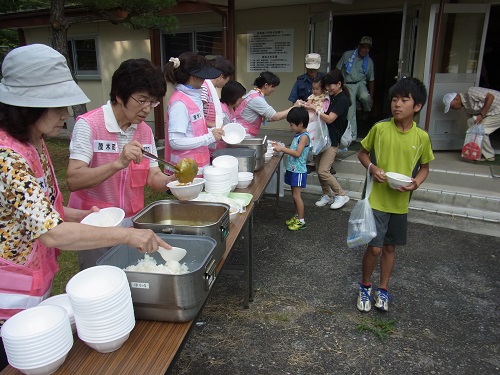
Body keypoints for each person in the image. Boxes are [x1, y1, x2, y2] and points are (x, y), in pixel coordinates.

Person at [0, 44, 170, 370]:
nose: (66, 113)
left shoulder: (34, 143)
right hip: (9, 291)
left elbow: (45, 209)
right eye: (58, 106)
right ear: (28, 107)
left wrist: (82, 215)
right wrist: (126, 236)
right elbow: (51, 233)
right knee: (20, 358)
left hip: (35, 278)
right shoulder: (8, 156)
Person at [66, 58, 176, 270]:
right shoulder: (89, 125)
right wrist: (118, 163)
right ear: (119, 95)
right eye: (142, 100)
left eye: (152, 102)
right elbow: (74, 179)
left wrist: (173, 181)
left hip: (132, 220)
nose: (147, 109)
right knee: (98, 276)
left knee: (129, 273)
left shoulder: (144, 131)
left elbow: (153, 177)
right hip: (96, 222)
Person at [356, 77, 434, 313]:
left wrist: (415, 184)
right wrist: (373, 168)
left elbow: (425, 167)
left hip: (400, 202)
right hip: (377, 199)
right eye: (394, 100)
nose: (397, 104)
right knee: (375, 248)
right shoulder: (380, 129)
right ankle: (365, 286)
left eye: (404, 100)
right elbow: (362, 154)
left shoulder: (421, 137)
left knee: (390, 248)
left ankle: (383, 289)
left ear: (417, 106)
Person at [163, 52, 225, 174]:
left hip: (195, 170)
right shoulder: (179, 103)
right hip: (184, 174)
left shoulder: (191, 97)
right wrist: (209, 137)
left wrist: (211, 132)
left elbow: (193, 132)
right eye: (203, 76)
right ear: (194, 77)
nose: (205, 81)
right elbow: (175, 141)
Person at [302, 70, 351, 210]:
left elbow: (330, 119)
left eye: (330, 86)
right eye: (327, 86)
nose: (327, 88)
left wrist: (315, 109)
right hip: (322, 138)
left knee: (323, 170)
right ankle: (327, 195)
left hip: (332, 139)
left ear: (339, 84)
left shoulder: (342, 99)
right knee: (318, 168)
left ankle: (341, 194)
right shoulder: (332, 96)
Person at [272, 107, 310, 231]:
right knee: (294, 195)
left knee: (296, 196)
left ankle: (301, 220)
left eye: (292, 124)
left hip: (298, 171)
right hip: (293, 169)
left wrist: (282, 149)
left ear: (300, 124)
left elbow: (297, 153)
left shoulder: (304, 136)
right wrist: (280, 146)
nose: (290, 126)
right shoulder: (298, 134)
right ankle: (297, 216)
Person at [234, 71, 300, 137]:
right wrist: (294, 107)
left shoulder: (254, 94)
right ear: (266, 85)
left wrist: (288, 113)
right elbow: (276, 116)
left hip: (242, 131)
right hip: (242, 133)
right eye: (273, 86)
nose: (274, 89)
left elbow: (269, 117)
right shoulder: (257, 99)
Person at [335, 36, 375, 141]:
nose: (365, 50)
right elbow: (337, 69)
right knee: (350, 110)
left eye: (367, 48)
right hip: (347, 84)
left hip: (361, 83)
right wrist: (336, 84)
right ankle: (352, 137)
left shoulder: (369, 61)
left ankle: (365, 111)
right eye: (363, 47)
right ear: (358, 46)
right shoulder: (347, 55)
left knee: (365, 97)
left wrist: (371, 97)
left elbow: (371, 80)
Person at [443, 88, 500, 162]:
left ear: (456, 99)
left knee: (482, 129)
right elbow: (474, 120)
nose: (454, 109)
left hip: (498, 110)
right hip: (492, 112)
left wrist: (482, 115)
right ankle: (476, 150)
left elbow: (491, 97)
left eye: (452, 107)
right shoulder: (467, 108)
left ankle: (489, 156)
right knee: (470, 122)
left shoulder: (470, 92)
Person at [201, 55, 235, 128]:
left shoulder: (211, 88)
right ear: (222, 76)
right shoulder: (204, 87)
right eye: (228, 77)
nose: (228, 81)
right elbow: (198, 116)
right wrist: (216, 125)